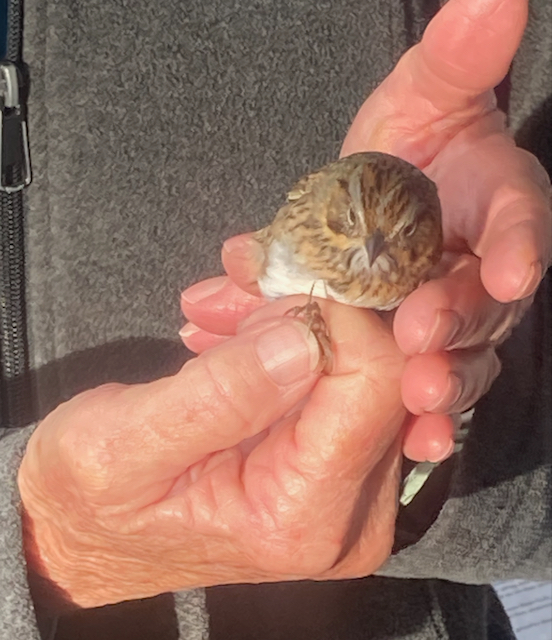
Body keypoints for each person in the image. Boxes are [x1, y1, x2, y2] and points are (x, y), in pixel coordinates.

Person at [1, 0, 550, 639]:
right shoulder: (311, 216)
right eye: (354, 232)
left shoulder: (429, 230)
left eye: (392, 239)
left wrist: (447, 454)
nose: (372, 251)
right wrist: (36, 543)